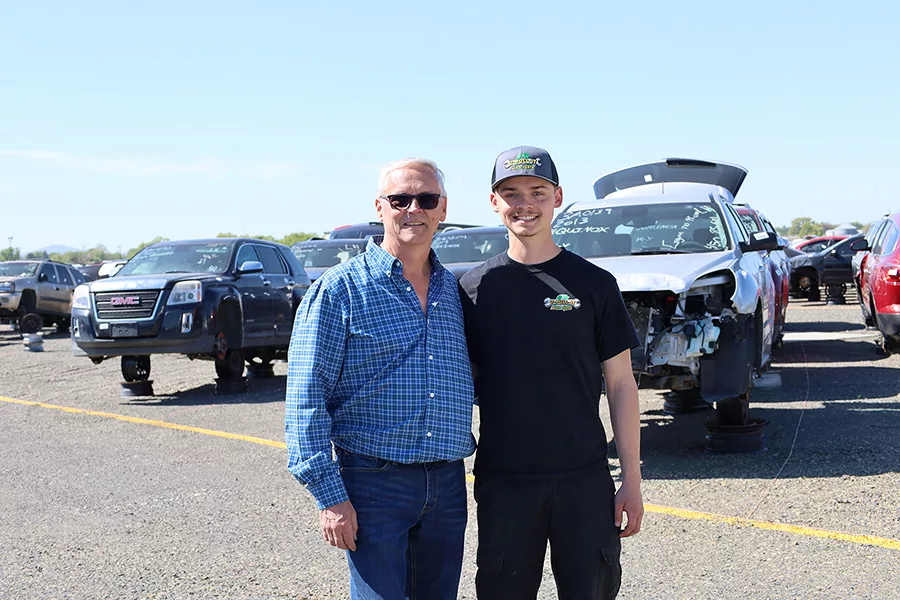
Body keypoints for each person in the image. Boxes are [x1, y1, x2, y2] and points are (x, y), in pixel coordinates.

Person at [285, 158, 476, 600]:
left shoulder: (454, 292)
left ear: (442, 209)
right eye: (400, 199)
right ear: (380, 207)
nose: (414, 209)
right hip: (373, 481)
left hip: (447, 485)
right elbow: (305, 399)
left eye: (426, 199)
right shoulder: (337, 291)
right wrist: (330, 496)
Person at [459, 146, 644, 600]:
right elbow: (456, 385)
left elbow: (621, 385)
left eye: (538, 192)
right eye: (512, 193)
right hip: (505, 482)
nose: (526, 204)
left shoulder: (594, 284)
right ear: (494, 202)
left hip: (583, 479)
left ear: (557, 197)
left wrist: (632, 482)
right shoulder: (472, 290)